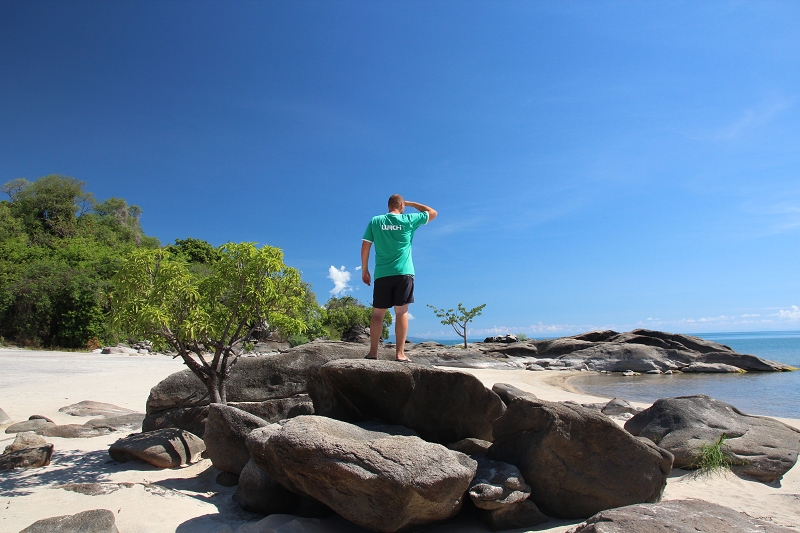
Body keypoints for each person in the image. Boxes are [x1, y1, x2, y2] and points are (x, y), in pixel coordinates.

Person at [361, 194, 437, 362]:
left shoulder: (376, 221)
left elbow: (366, 245)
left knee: (378, 313)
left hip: (382, 274)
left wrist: (365, 270)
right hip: (404, 273)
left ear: (388, 206)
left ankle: (373, 353)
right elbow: (433, 213)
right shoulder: (408, 219)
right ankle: (400, 354)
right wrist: (411, 204)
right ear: (401, 206)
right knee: (401, 311)